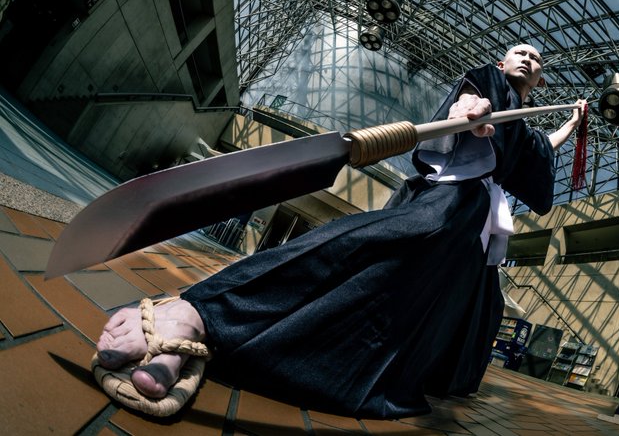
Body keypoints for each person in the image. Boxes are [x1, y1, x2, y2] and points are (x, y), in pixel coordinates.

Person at [96, 44, 586, 418]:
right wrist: (465, 115)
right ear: (501, 64)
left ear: (539, 80)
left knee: (462, 305)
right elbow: (467, 103)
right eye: (519, 52)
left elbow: (542, 148)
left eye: (535, 59)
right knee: (374, 244)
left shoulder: (526, 130)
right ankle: (202, 313)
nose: (527, 58)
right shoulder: (488, 83)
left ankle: (381, 365)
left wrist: (572, 121)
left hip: (475, 234)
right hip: (449, 202)